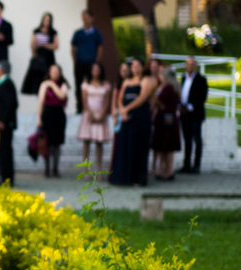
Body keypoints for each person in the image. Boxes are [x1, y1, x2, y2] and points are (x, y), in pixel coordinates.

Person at [109, 58, 155, 187]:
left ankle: (138, 178)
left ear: (142, 67)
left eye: (137, 65)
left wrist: (127, 109)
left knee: (138, 146)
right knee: (125, 145)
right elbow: (120, 98)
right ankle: (124, 177)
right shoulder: (126, 81)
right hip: (126, 118)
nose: (134, 68)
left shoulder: (146, 80)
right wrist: (122, 111)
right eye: (133, 66)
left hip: (140, 117)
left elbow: (142, 98)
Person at [77, 61, 113, 175]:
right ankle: (86, 168)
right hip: (89, 114)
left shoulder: (106, 85)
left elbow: (107, 101)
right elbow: (84, 101)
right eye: (94, 69)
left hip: (101, 113)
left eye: (98, 69)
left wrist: (102, 115)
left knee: (99, 142)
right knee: (86, 141)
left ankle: (99, 167)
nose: (96, 71)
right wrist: (91, 114)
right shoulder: (85, 84)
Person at [36, 64, 69, 178]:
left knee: (57, 144)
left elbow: (61, 96)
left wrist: (51, 84)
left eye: (56, 71)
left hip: (59, 115)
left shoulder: (63, 85)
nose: (54, 73)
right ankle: (47, 168)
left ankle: (55, 168)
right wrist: (39, 118)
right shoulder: (43, 85)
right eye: (52, 71)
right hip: (47, 114)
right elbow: (40, 102)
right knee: (47, 143)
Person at [70, 9, 104, 114]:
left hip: (91, 64)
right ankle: (80, 108)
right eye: (83, 18)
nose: (85, 20)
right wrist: (75, 60)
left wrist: (96, 62)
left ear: (92, 18)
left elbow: (100, 48)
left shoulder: (97, 33)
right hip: (80, 63)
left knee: (92, 85)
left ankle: (91, 108)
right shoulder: (78, 33)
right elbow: (72, 47)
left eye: (87, 18)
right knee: (79, 85)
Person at [151, 65, 181, 181]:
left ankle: (168, 170)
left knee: (167, 145)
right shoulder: (174, 86)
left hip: (165, 119)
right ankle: (165, 169)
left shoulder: (168, 87)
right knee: (166, 145)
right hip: (168, 118)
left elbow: (158, 100)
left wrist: (157, 103)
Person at [179, 57, 208, 174]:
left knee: (196, 139)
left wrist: (190, 107)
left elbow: (202, 97)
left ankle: (196, 165)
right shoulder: (183, 78)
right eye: (188, 64)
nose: (189, 66)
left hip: (195, 115)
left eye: (192, 64)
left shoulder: (201, 79)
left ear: (195, 66)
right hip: (184, 114)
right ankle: (186, 164)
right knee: (187, 140)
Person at [20, 12, 59, 95]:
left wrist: (44, 45)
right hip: (38, 60)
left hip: (48, 59)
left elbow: (56, 45)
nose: (46, 22)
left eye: (48, 20)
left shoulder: (53, 32)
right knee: (36, 82)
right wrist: (34, 51)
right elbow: (32, 44)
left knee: (48, 78)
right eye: (45, 20)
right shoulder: (36, 31)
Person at [0, 59, 17, 185]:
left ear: (1, 70)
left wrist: (3, 120)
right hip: (2, 124)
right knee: (3, 151)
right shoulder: (2, 83)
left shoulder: (7, 84)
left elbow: (10, 104)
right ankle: (4, 177)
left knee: (5, 151)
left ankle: (6, 178)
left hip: (5, 125)